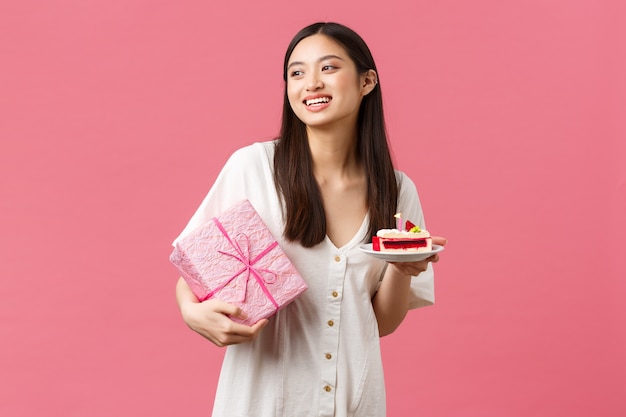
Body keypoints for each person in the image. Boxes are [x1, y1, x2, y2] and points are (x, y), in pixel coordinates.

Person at [173, 22, 447, 417]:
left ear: (367, 81)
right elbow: (196, 272)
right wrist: (191, 311)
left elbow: (380, 323)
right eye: (297, 73)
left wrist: (405, 269)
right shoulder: (253, 168)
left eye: (329, 68)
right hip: (261, 402)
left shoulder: (398, 191)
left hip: (356, 402)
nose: (311, 84)